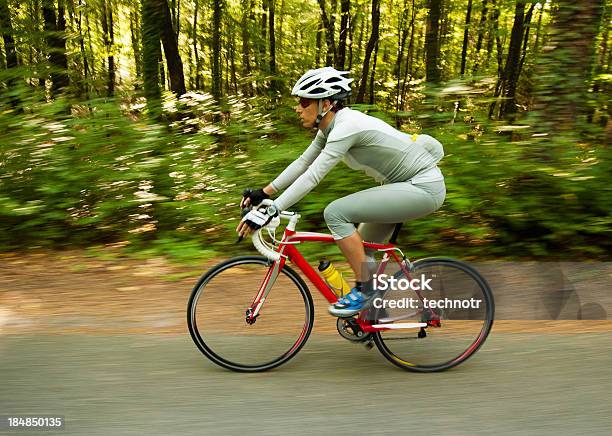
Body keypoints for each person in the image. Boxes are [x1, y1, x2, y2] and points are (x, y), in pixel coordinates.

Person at [236, 67, 445, 317]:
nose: (298, 108)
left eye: (304, 102)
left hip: (422, 187)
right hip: (402, 187)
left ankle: (366, 291)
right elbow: (303, 163)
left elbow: (313, 176)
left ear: (325, 103)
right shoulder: (330, 128)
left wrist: (273, 209)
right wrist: (264, 192)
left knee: (335, 213)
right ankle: (376, 315)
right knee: (362, 249)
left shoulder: (347, 126)